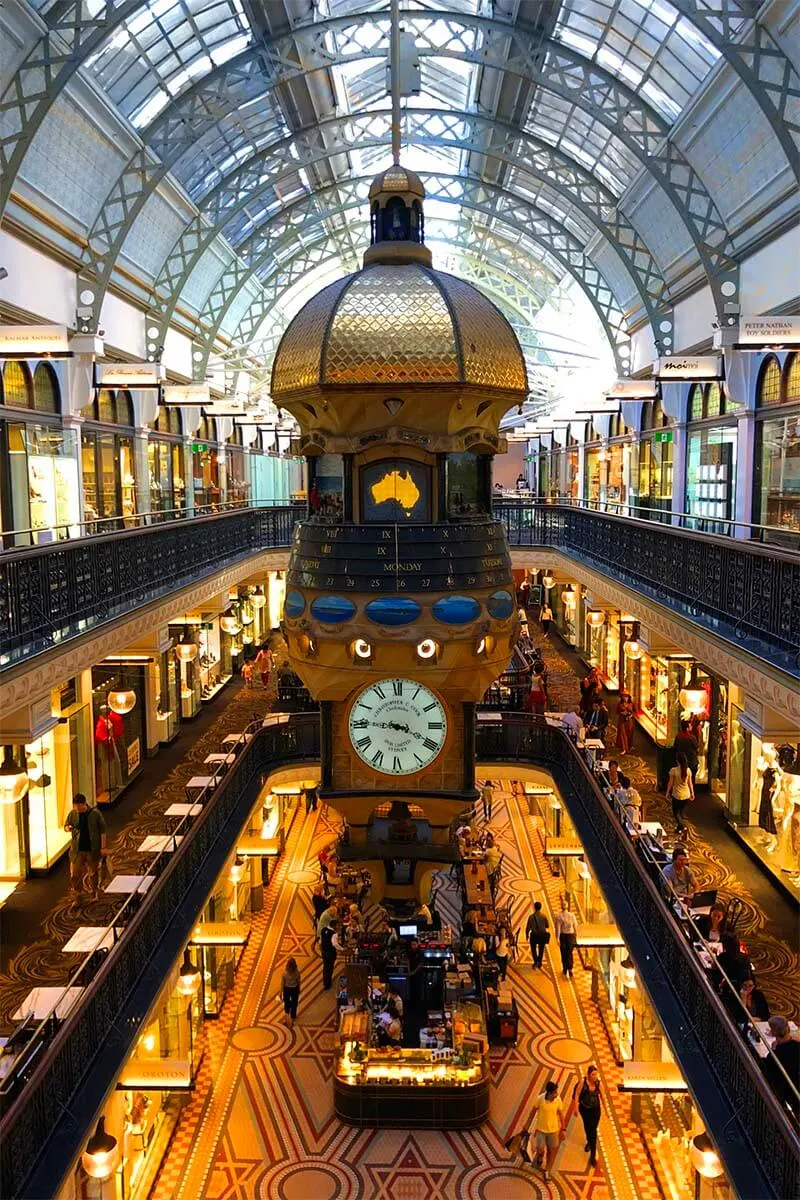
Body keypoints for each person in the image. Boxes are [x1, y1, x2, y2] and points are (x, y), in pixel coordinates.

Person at [64, 793, 107, 899]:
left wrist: (103, 847)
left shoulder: (95, 814)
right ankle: (77, 895)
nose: (76, 808)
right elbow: (66, 826)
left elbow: (103, 831)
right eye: (75, 806)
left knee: (93, 873)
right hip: (77, 849)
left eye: (78, 806)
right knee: (75, 874)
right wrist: (68, 828)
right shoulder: (73, 814)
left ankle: (94, 891)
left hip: (92, 849)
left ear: (84, 804)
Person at [530, 1081, 565, 1181]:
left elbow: (560, 1114)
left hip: (553, 1131)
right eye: (554, 1093)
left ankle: (547, 1170)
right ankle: (540, 1155)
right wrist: (526, 1127)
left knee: (551, 1150)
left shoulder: (558, 1100)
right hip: (541, 1129)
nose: (556, 1094)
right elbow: (533, 1112)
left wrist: (563, 1128)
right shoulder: (540, 1099)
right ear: (549, 1093)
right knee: (540, 1149)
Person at [766, 1015, 800, 1106]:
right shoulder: (797, 1045)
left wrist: (773, 1049)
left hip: (783, 1087)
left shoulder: (778, 1052)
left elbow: (768, 1064)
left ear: (774, 1032)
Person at [575, 1065, 602, 1168]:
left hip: (595, 1110)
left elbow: (602, 1095)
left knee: (593, 1131)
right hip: (585, 1109)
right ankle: (589, 1142)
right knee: (587, 1128)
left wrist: (607, 1111)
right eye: (593, 1074)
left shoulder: (598, 1084)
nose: (595, 1076)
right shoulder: (583, 1083)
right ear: (589, 1075)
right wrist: (576, 1109)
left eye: (596, 1074)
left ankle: (593, 1155)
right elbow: (577, 1095)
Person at [666, 753, 695, 833]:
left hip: (677, 795)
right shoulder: (688, 770)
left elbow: (670, 783)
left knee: (675, 812)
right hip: (686, 795)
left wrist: (667, 792)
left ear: (677, 761)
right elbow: (690, 783)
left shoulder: (674, 770)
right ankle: (679, 828)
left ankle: (681, 825)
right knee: (681, 811)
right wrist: (692, 793)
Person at [554, 898, 578, 978]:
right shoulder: (572, 915)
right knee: (569, 952)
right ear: (567, 907)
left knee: (563, 953)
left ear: (561, 907)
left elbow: (558, 928)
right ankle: (570, 968)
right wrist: (576, 936)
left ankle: (565, 968)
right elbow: (575, 926)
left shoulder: (558, 916)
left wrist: (557, 938)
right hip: (570, 936)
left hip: (563, 936)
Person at [525, 901, 550, 969]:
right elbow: (547, 926)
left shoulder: (531, 917)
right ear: (540, 908)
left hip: (534, 935)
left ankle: (536, 961)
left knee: (533, 949)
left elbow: (528, 927)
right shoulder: (544, 916)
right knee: (541, 949)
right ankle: (540, 962)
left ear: (534, 908)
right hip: (542, 935)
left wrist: (527, 935)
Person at [320, 921, 340, 990]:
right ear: (334, 926)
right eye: (337, 925)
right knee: (330, 968)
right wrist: (342, 949)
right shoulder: (334, 934)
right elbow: (335, 944)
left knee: (325, 967)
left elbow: (321, 940)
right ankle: (328, 983)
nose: (338, 927)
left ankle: (325, 982)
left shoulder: (323, 930)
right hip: (331, 953)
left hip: (324, 952)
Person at [281, 957, 301, 1026]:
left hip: (286, 989)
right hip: (294, 989)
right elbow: (298, 981)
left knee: (286, 1003)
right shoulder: (297, 973)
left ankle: (286, 1018)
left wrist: (280, 992)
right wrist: (299, 989)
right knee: (294, 1003)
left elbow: (282, 983)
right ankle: (292, 1018)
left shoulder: (284, 973)